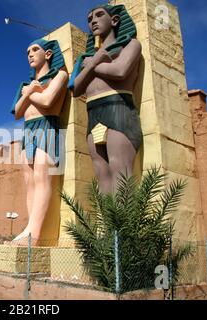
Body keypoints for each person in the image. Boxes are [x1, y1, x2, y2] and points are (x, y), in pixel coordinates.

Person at [69, 4, 143, 194]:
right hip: (93, 114)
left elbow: (120, 71)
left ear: (115, 20)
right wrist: (94, 61)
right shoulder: (87, 58)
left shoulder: (130, 44)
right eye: (89, 18)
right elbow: (76, 88)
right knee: (102, 174)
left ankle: (123, 224)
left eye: (99, 15)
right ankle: (106, 225)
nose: (93, 21)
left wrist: (91, 65)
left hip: (118, 108)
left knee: (121, 170)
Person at [8, 38, 68, 246]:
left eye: (35, 49)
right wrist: (28, 92)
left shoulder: (59, 75)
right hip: (28, 132)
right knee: (30, 183)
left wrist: (30, 93)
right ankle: (29, 229)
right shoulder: (25, 85)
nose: (30, 54)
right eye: (28, 51)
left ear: (48, 54)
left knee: (43, 178)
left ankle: (35, 234)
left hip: (47, 126)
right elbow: (17, 112)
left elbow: (48, 101)